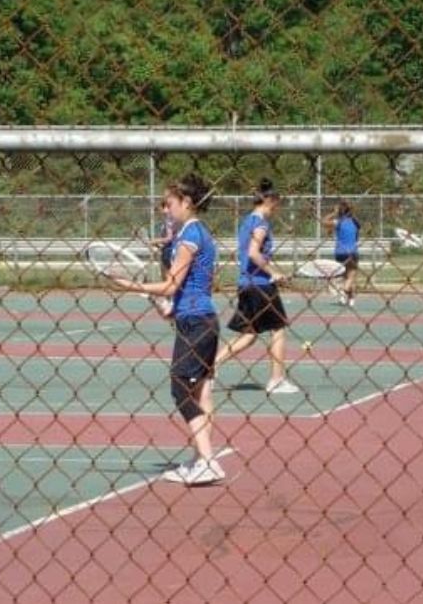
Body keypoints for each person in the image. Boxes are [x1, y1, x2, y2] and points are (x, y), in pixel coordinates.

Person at [110, 173, 225, 485]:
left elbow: (171, 283)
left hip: (197, 322)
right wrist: (168, 305)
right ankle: (202, 458)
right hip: (198, 319)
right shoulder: (198, 233)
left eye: (169, 203)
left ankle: (209, 461)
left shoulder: (189, 236)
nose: (164, 209)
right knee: (201, 390)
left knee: (179, 388)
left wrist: (131, 285)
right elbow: (186, 289)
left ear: (187, 203)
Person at [215, 178, 298, 395]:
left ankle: (210, 367)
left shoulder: (247, 222)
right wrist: (274, 273)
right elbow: (253, 252)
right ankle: (277, 380)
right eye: (276, 204)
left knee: (250, 334)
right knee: (278, 329)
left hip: (246, 283)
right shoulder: (260, 223)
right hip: (260, 285)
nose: (276, 209)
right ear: (269, 200)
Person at [323, 200, 361, 306]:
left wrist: (333, 213)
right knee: (351, 277)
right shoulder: (354, 222)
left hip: (339, 253)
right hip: (352, 252)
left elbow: (324, 221)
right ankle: (344, 290)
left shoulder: (338, 222)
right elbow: (357, 238)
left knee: (346, 276)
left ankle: (350, 299)